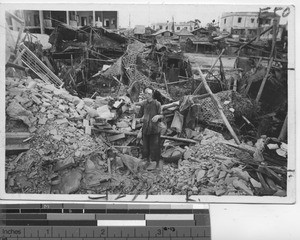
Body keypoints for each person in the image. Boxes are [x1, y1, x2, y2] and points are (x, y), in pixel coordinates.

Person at [136, 87, 164, 170]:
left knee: (155, 147)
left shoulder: (157, 104)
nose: (147, 95)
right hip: (145, 129)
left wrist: (158, 116)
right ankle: (147, 162)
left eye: (149, 93)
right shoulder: (144, 104)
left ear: (152, 94)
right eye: (146, 93)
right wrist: (133, 109)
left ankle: (157, 164)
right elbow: (139, 115)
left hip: (155, 129)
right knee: (145, 148)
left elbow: (163, 115)